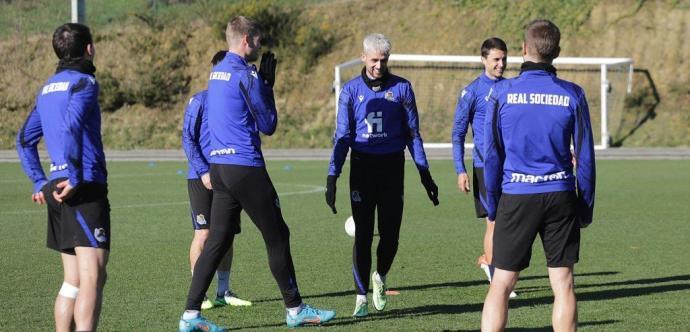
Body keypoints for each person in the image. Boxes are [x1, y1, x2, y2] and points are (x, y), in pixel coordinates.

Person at [178, 16, 335, 331]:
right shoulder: (245, 75)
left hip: (219, 169)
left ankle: (190, 315)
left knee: (217, 242)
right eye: (259, 40)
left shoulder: (216, 73)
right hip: (245, 168)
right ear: (246, 40)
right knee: (277, 235)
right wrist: (266, 87)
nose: (261, 46)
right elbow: (269, 125)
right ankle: (295, 309)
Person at [481, 19, 596, 331]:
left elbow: (491, 156)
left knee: (501, 284)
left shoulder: (502, 93)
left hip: (516, 196)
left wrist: (492, 205)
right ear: (556, 52)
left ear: (522, 50)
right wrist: (584, 207)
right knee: (563, 284)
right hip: (560, 196)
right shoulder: (573, 94)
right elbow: (585, 159)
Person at [325, 33, 439, 318]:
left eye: (383, 60)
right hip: (362, 167)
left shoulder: (402, 89)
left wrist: (425, 174)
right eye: (374, 59)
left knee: (391, 236)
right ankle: (360, 297)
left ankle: (380, 275)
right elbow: (343, 136)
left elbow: (413, 134)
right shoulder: (350, 92)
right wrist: (332, 176)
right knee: (363, 235)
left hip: (392, 168)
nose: (378, 65)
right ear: (363, 57)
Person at [16, 23, 110, 332]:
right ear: (89, 49)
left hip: (57, 187)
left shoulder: (46, 88)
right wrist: (76, 175)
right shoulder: (85, 83)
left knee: (73, 280)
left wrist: (39, 181)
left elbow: (24, 140)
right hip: (81, 188)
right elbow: (71, 127)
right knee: (93, 277)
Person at [182, 50, 252, 310]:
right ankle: (197, 292)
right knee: (204, 233)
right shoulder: (199, 101)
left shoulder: (237, 101)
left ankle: (224, 291)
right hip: (200, 177)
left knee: (227, 234)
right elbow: (187, 139)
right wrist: (202, 171)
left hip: (229, 174)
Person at [451, 38, 516, 298]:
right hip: (485, 166)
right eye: (496, 60)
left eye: (504, 59)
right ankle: (495, 276)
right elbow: (457, 133)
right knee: (494, 222)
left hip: (512, 166)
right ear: (483, 60)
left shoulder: (512, 88)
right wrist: (460, 169)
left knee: (511, 221)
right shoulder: (472, 92)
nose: (501, 64)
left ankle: (491, 263)